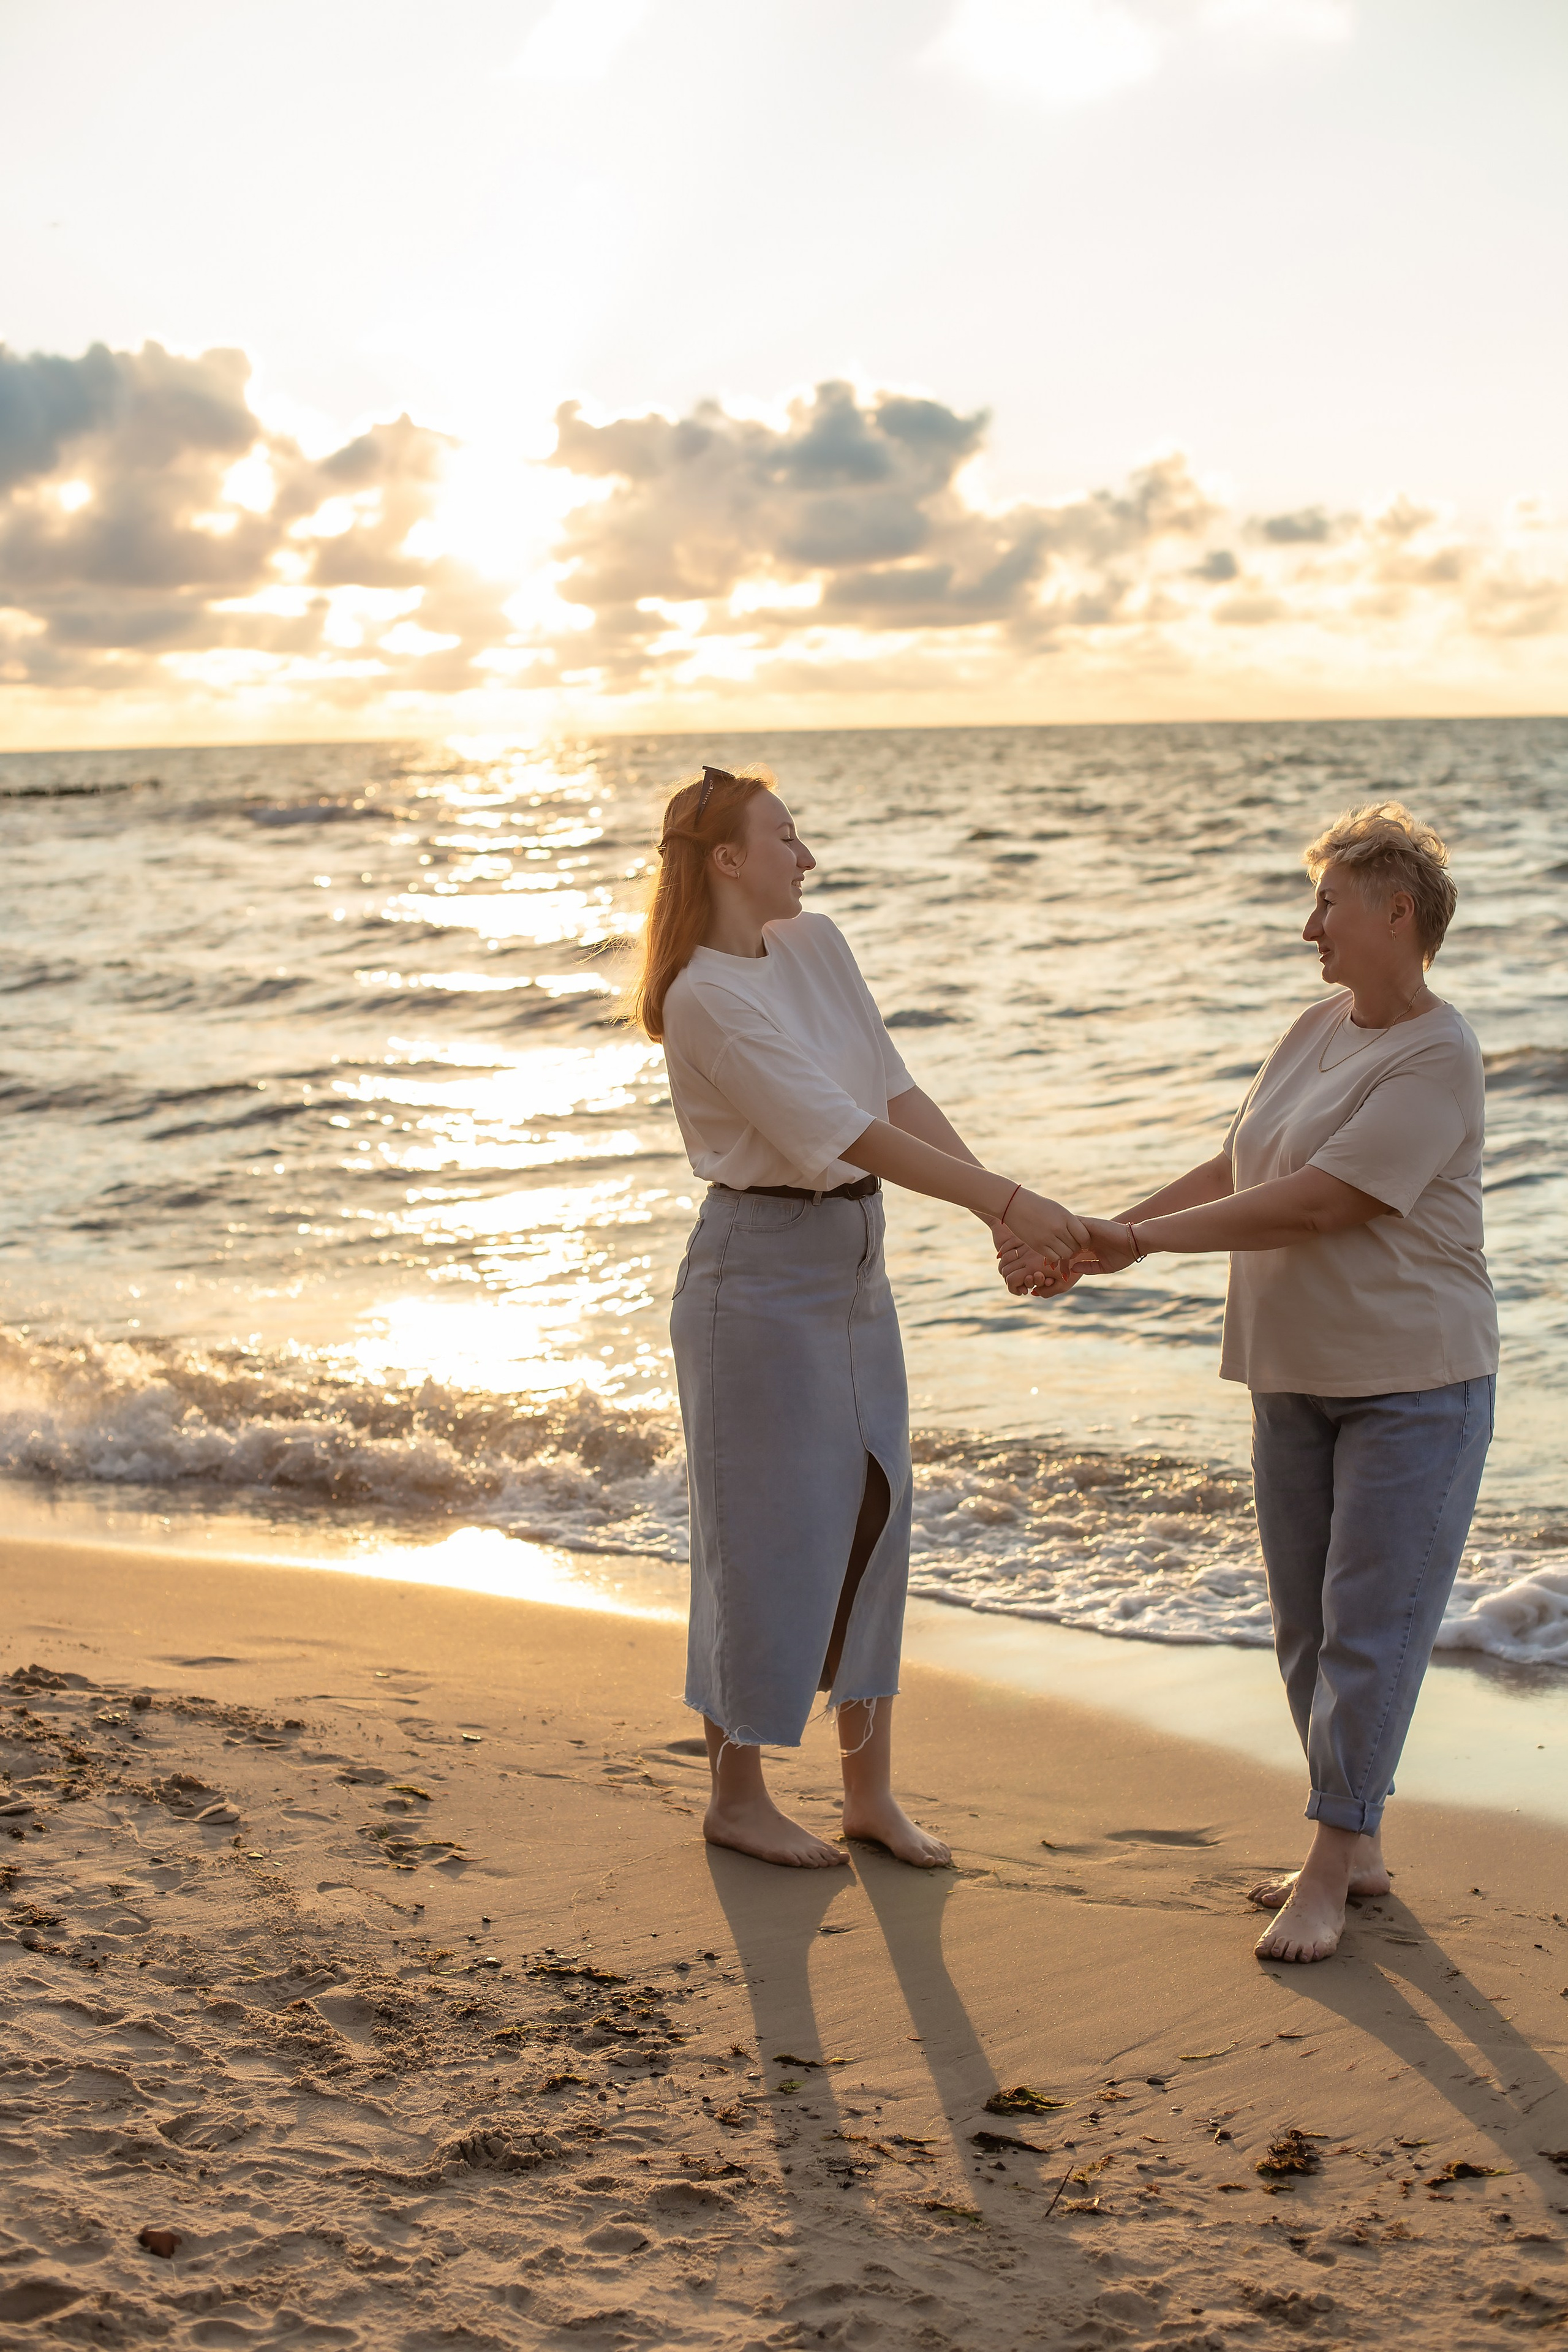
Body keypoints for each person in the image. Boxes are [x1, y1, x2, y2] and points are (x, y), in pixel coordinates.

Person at [1000, 801, 1498, 1963]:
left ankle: (1330, 1868)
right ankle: (1357, 1840)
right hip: (1294, 1376)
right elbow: (1242, 1162)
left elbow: (1328, 1199)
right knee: (1306, 1633)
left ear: (1398, 910)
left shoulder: (1440, 1051)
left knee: (1370, 1633)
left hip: (1413, 1382)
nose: (1309, 925)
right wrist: (1107, 1232)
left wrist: (1138, 1250)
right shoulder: (1314, 1030)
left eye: (1328, 902)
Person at [638, 763, 1087, 1872]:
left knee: (876, 1511)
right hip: (755, 1276)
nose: (807, 857)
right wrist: (1011, 1202)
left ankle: (868, 1793)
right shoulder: (703, 995)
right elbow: (835, 1130)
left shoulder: (818, 946)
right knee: (754, 1538)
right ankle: (736, 1797)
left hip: (852, 1265)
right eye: (786, 837)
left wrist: (1000, 1215)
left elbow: (892, 1094)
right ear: (729, 860)